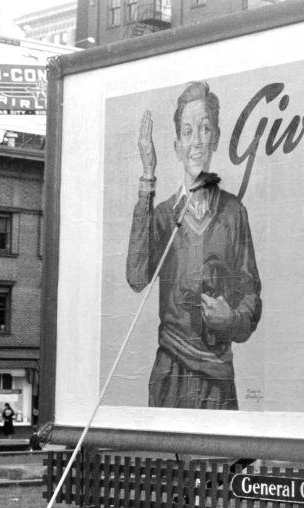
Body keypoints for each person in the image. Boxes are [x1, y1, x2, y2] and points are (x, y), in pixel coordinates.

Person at [126, 80, 262, 409]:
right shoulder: (162, 215)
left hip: (217, 378)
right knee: (164, 462)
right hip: (170, 373)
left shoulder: (233, 213)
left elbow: (251, 295)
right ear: (176, 145)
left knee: (222, 463)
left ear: (214, 137)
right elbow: (137, 277)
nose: (196, 141)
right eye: (187, 132)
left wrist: (230, 318)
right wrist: (148, 177)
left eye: (203, 129)